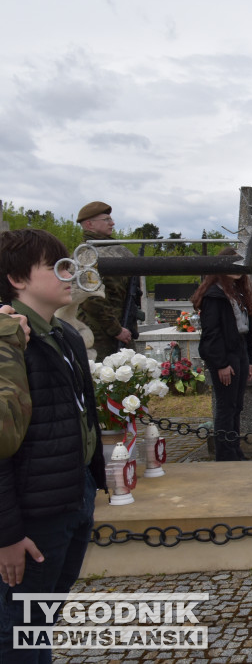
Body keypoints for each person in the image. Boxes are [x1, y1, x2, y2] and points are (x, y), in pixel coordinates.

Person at [0, 228, 107, 660]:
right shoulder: (10, 342)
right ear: (17, 278)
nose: (71, 274)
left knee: (41, 622)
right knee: (19, 632)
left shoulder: (63, 335)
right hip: (32, 510)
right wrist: (7, 533)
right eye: (57, 266)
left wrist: (91, 485)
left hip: (71, 494)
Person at [192, 247, 252, 461]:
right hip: (225, 354)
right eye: (233, 264)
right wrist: (220, 364)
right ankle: (225, 454)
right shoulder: (215, 294)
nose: (238, 269)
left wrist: (249, 360)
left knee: (236, 405)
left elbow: (247, 328)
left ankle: (234, 449)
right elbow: (211, 334)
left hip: (239, 351)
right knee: (226, 406)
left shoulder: (236, 291)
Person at [75, 201, 138, 361]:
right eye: (106, 219)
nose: (112, 223)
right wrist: (116, 329)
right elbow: (90, 299)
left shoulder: (111, 249)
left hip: (118, 327)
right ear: (89, 224)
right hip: (100, 335)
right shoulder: (87, 254)